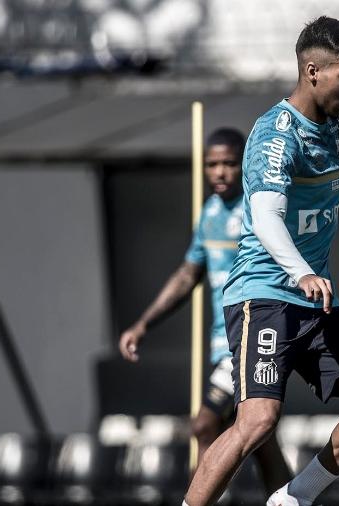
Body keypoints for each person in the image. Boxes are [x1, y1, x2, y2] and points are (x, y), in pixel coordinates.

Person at [182, 16, 339, 506]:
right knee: (258, 421)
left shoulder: (329, 125)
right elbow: (265, 216)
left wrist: (311, 278)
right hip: (265, 296)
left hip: (315, 301)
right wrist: (301, 271)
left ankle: (293, 498)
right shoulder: (274, 134)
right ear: (312, 72)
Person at [117, 128, 292, 496]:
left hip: (250, 337)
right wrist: (143, 324)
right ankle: (292, 501)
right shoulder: (209, 213)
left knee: (204, 425)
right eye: (212, 164)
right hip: (221, 343)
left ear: (243, 163)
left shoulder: (256, 209)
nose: (220, 172)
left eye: (229, 163)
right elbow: (188, 274)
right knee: (260, 440)